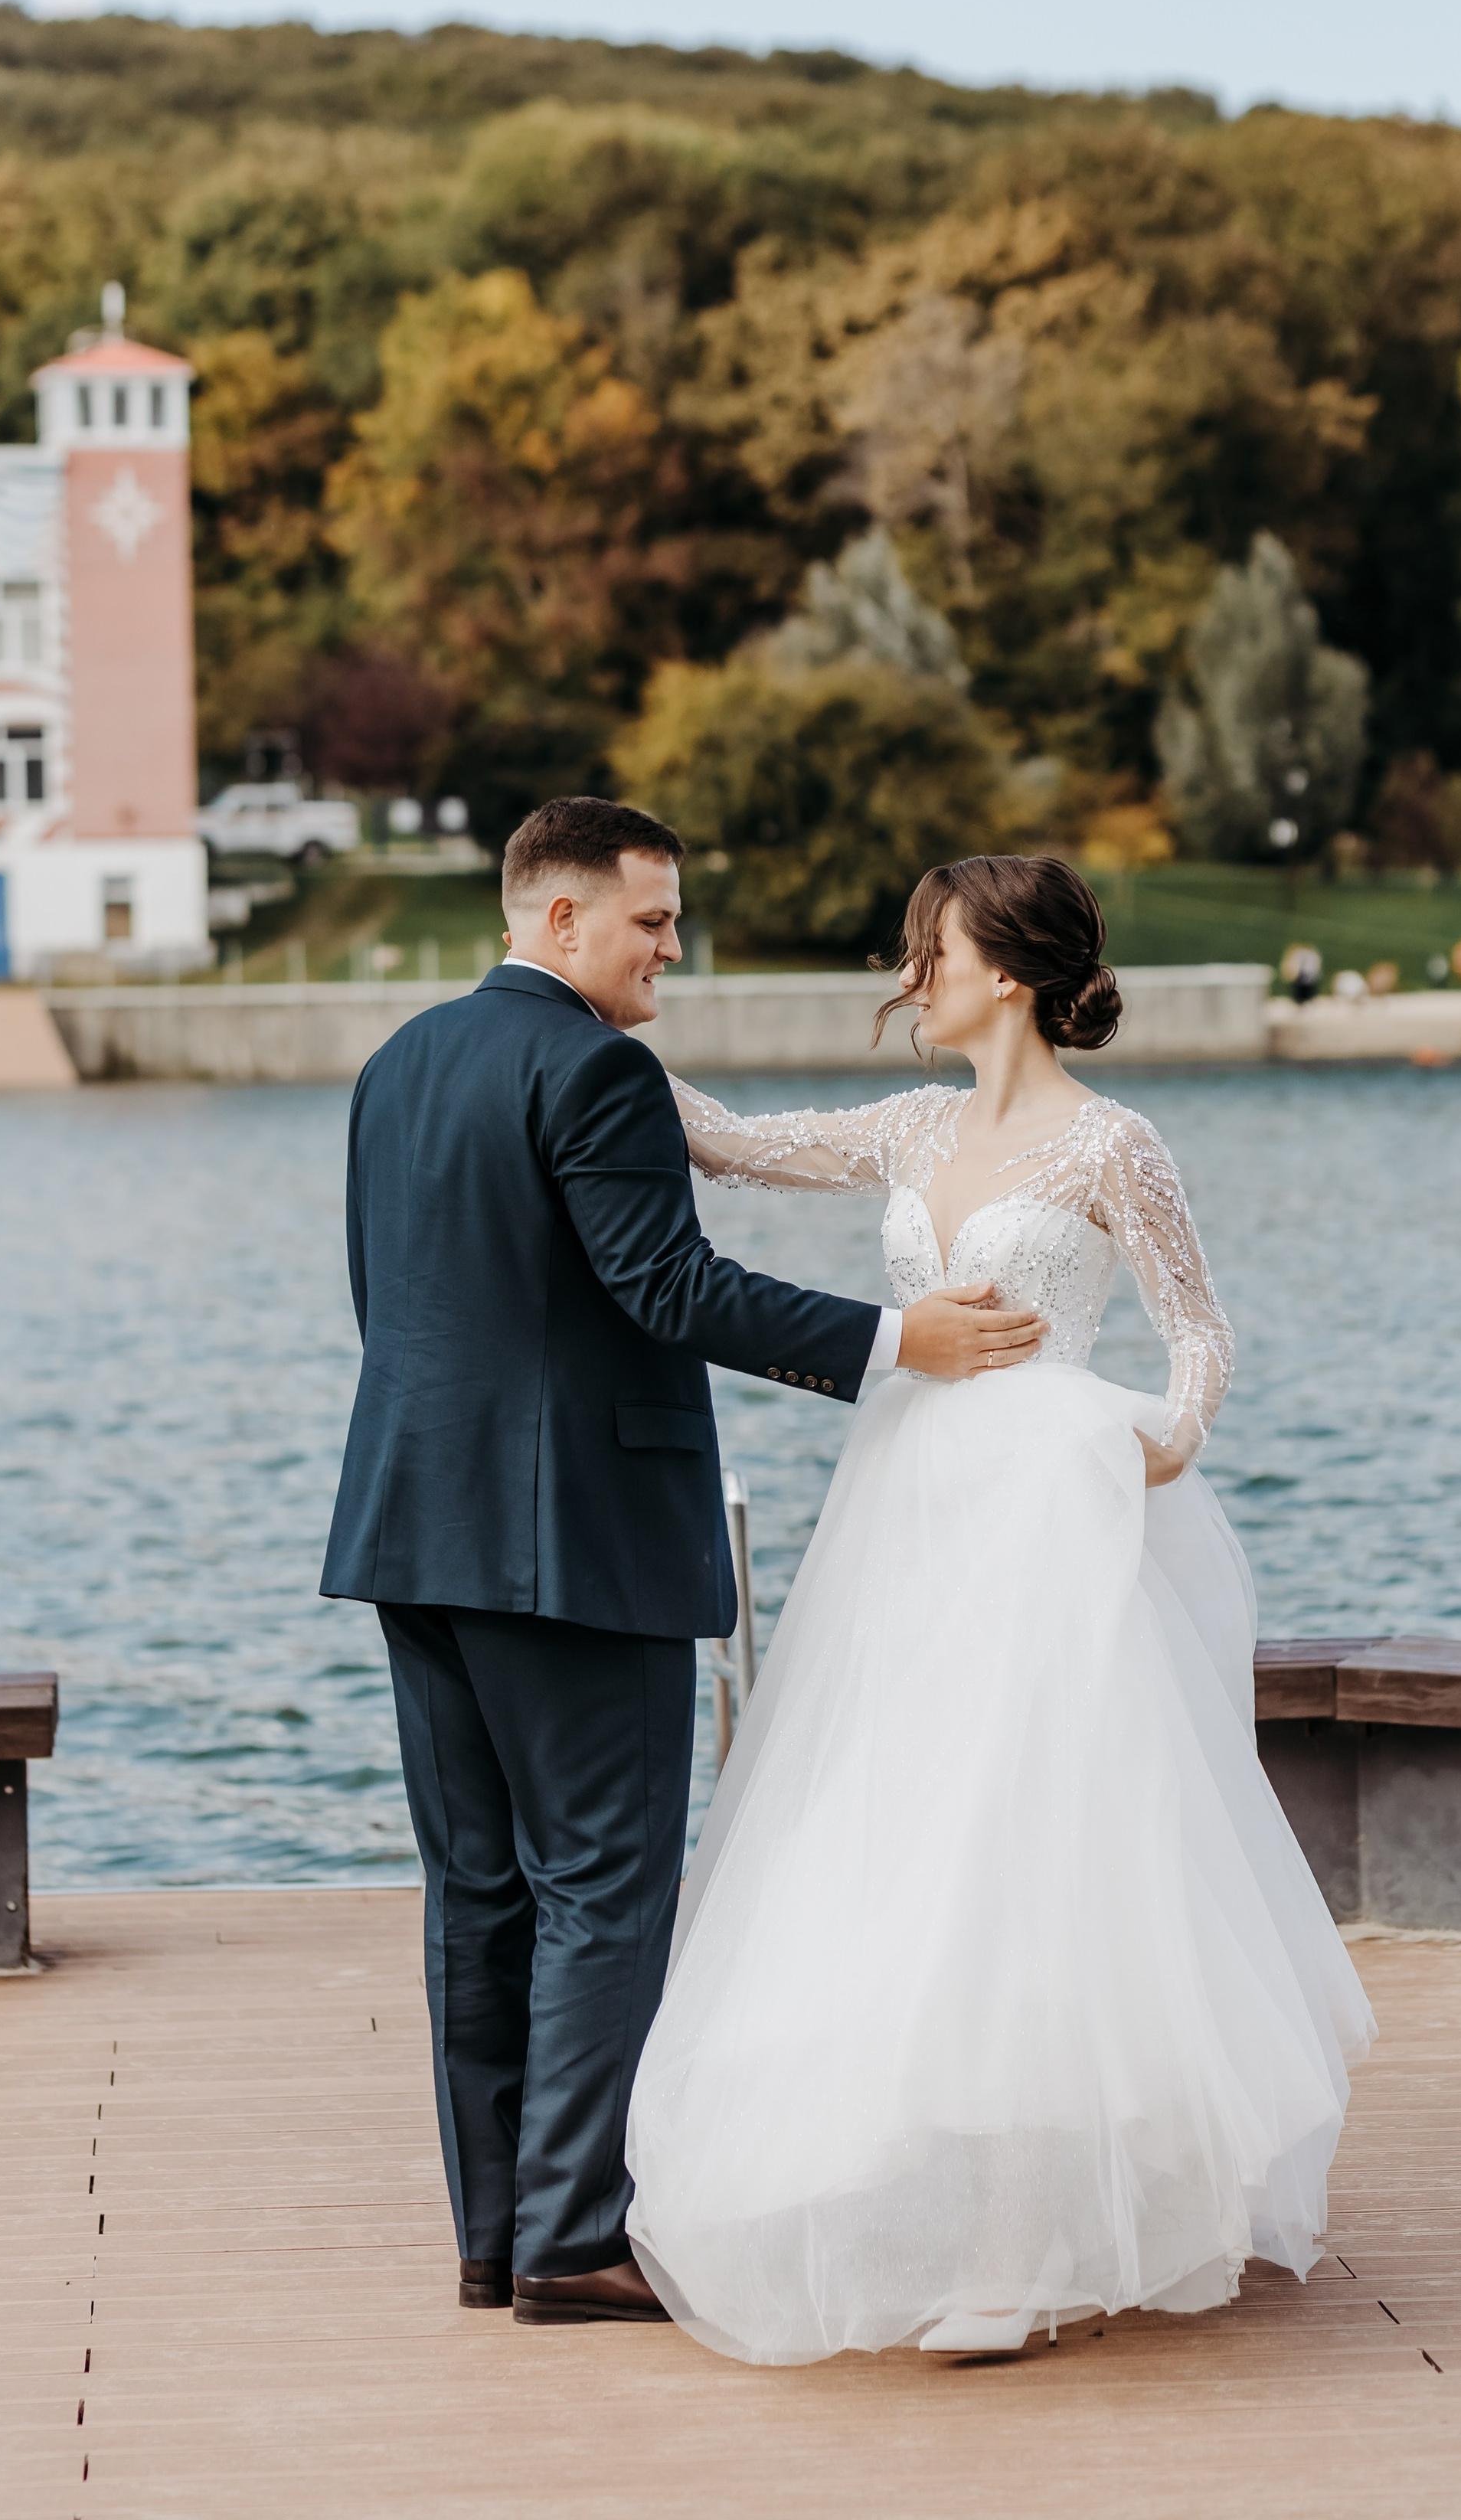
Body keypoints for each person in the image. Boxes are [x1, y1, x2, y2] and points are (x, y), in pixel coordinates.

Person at [626, 853, 1376, 2362]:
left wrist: (1145, 1451)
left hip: (1049, 1520)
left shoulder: (1114, 1149)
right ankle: (940, 2192)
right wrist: (599, 1030)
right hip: (905, 1519)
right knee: (909, 1841)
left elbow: (1196, 1341)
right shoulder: (906, 1127)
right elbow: (724, 1145)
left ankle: (1025, 2249)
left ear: (1007, 977)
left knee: (1036, 1850)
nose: (911, 978)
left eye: (932, 951)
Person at [321, 798, 1044, 2324]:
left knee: (477, 1895)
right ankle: (575, 2239)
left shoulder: (399, 1064)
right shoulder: (595, 1068)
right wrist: (889, 1338)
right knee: (599, 1882)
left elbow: (391, 1298)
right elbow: (669, 1288)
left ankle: (495, 2237)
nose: (672, 946)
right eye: (650, 920)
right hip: (573, 1543)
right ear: (560, 919)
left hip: (409, 1525)